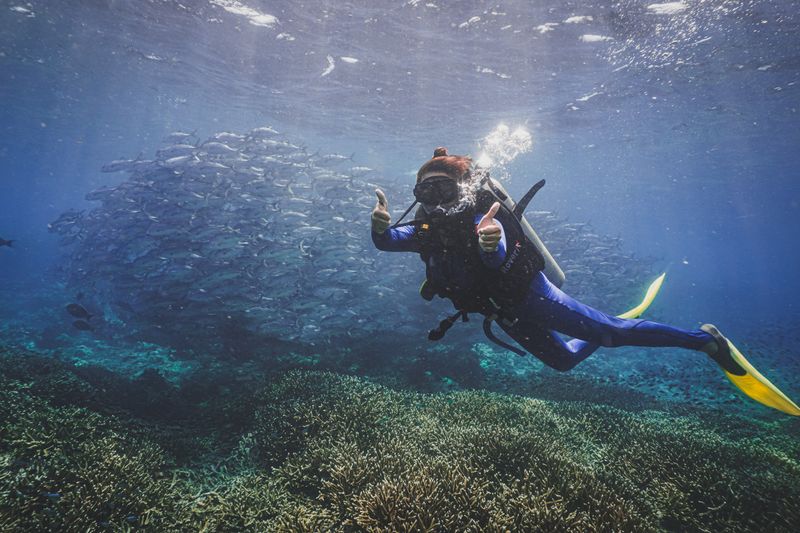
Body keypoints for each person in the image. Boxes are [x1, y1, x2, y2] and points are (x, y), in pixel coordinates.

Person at [370, 147, 800, 416]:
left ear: (463, 188)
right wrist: (379, 227)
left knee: (611, 335)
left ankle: (706, 341)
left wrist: (488, 243)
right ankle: (604, 323)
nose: (432, 199)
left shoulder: (485, 220)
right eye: (423, 192)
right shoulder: (427, 227)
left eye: (441, 189)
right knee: (563, 361)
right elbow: (392, 241)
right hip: (503, 312)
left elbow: (497, 254)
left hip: (531, 297)